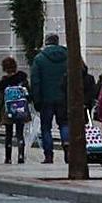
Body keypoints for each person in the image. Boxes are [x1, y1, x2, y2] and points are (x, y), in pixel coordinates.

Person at [30, 33, 69, 163]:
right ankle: (67, 145)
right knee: (64, 123)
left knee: (46, 127)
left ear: (46, 42)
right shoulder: (68, 56)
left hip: (45, 99)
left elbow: (35, 81)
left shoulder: (39, 59)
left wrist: (36, 99)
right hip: (64, 97)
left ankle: (48, 155)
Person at [0, 56, 29, 164]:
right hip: (21, 109)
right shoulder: (22, 80)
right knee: (20, 133)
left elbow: (0, 101)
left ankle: (8, 158)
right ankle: (21, 155)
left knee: (8, 134)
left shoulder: (2, 84)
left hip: (7, 111)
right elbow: (28, 95)